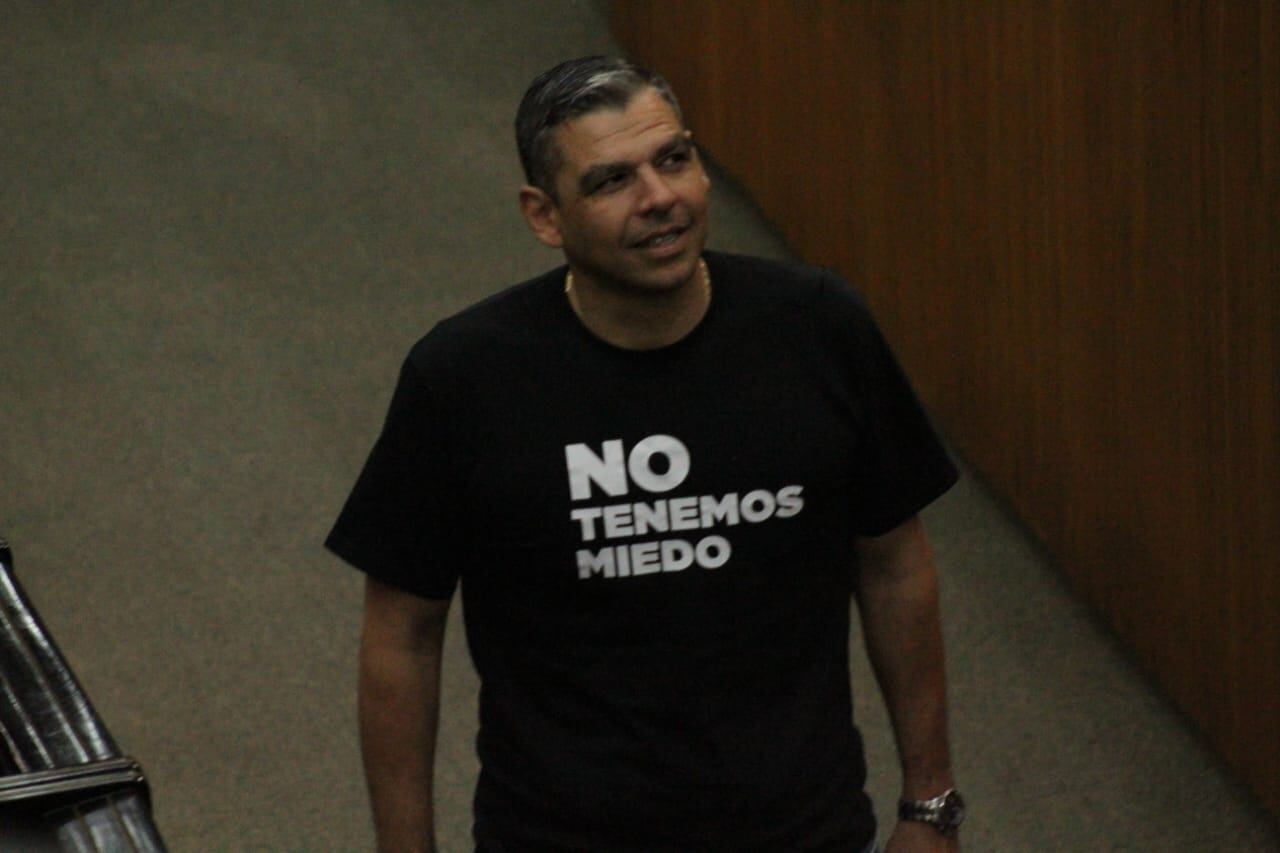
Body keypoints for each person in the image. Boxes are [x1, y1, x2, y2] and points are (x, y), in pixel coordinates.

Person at [326, 56, 965, 853]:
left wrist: (930, 803)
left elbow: (895, 565)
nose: (659, 197)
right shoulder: (464, 379)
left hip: (804, 832)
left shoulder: (818, 328)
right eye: (611, 180)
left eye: (674, 158)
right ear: (544, 215)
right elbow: (402, 635)